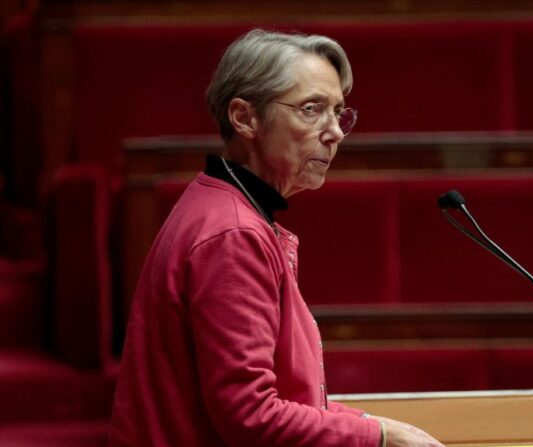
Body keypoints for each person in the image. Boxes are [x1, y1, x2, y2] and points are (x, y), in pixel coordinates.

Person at [109, 29, 445, 447]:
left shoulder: (222, 209)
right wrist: (377, 436)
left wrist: (367, 423)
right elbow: (249, 415)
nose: (335, 132)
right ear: (244, 118)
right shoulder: (232, 234)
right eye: (311, 109)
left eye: (338, 112)